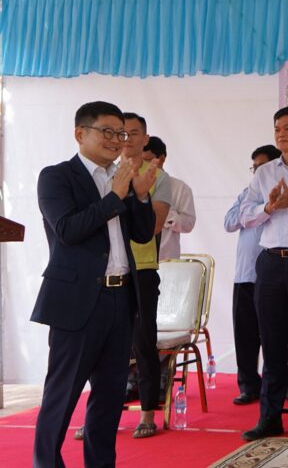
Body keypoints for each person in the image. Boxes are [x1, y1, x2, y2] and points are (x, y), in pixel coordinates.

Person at [33, 101, 156, 467]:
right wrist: (115, 196)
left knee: (109, 395)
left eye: (121, 133)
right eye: (107, 131)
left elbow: (141, 231)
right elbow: (68, 230)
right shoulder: (56, 177)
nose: (117, 140)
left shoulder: (121, 177)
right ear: (80, 134)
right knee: (62, 395)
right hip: (78, 302)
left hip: (121, 299)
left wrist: (141, 194)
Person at [239, 106, 288, 440]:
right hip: (269, 263)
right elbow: (243, 215)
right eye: (277, 129)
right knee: (271, 343)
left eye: (287, 129)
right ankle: (270, 417)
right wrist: (269, 207)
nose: (281, 135)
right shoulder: (265, 172)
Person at [121, 112, 172, 439]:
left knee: (143, 343)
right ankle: (104, 412)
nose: (126, 139)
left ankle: (148, 414)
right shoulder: (106, 173)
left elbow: (151, 226)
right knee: (104, 346)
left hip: (141, 269)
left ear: (145, 137)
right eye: (120, 133)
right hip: (108, 269)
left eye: (133, 133)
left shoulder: (157, 176)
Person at [224, 144, 281, 405]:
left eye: (261, 167)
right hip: (244, 274)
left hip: (271, 276)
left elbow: (253, 218)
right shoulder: (247, 193)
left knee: (275, 334)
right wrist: (257, 210)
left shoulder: (283, 193)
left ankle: (284, 384)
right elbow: (230, 221)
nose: (256, 171)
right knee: (244, 334)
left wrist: (257, 212)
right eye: (254, 167)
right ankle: (248, 385)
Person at [143, 136, 197, 260]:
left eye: (146, 161)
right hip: (135, 263)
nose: (142, 167)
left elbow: (189, 224)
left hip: (166, 261)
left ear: (161, 159)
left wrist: (166, 212)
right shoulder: (129, 184)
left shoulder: (180, 188)